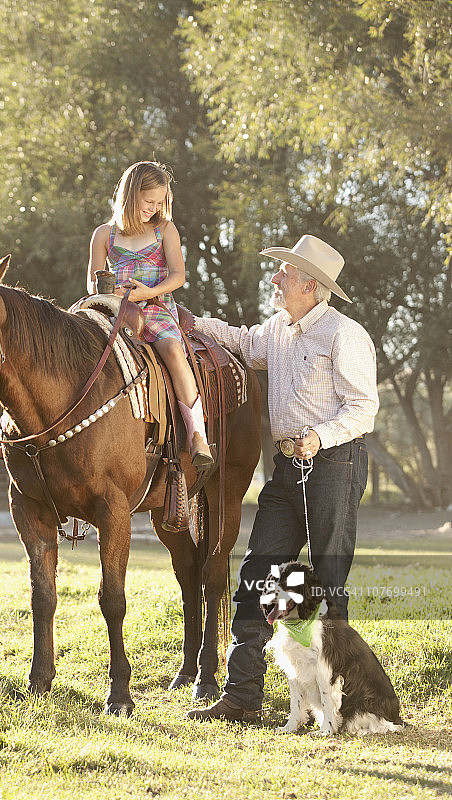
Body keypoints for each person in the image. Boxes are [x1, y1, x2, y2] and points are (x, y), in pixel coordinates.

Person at [187, 234, 379, 722]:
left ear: (311, 286)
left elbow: (364, 407)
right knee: (256, 575)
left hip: (334, 466)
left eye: (286, 274)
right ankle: (243, 695)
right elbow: (242, 340)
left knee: (328, 585)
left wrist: (321, 434)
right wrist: (190, 321)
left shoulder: (344, 334)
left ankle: (342, 705)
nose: (276, 279)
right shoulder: (277, 330)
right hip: (285, 471)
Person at [87, 160, 213, 467]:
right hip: (115, 309)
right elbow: (93, 281)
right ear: (130, 196)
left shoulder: (164, 229)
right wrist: (108, 290)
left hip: (154, 307)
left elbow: (178, 275)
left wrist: (146, 292)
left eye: (160, 202)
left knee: (172, 350)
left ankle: (197, 434)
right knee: (78, 346)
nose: (154, 208)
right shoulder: (104, 234)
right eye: (148, 202)